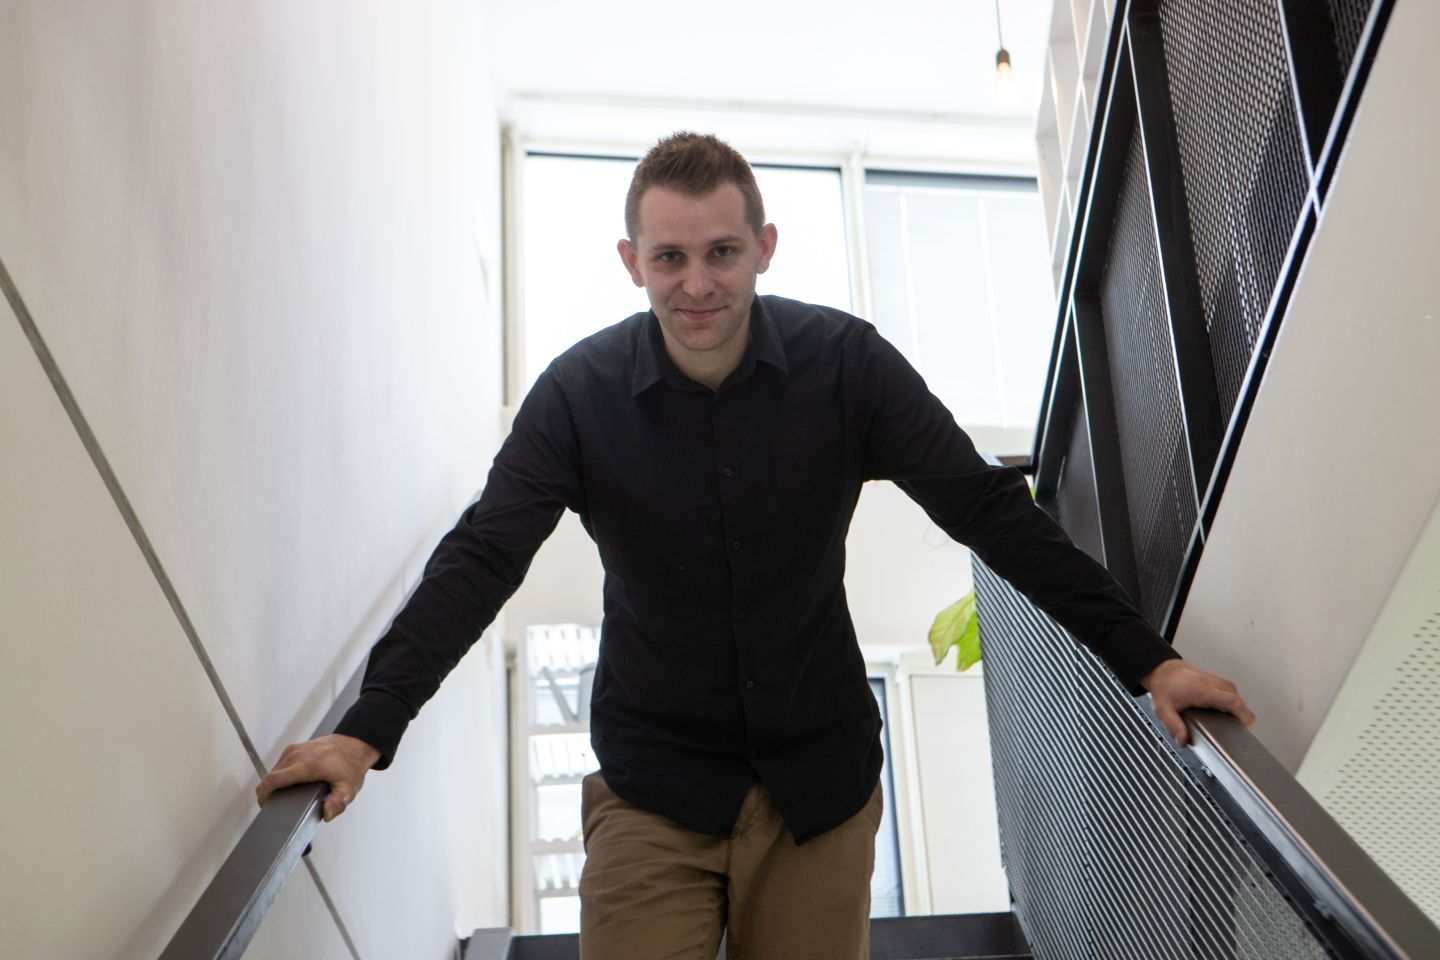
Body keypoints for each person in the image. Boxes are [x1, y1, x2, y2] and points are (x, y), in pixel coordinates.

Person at [257, 132, 1253, 959]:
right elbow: (482, 559)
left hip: (817, 788)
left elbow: (988, 514)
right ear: (630, 262)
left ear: (765, 246)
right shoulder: (578, 397)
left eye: (721, 253)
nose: (697, 285)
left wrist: (1149, 660)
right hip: (652, 787)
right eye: (669, 259)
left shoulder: (847, 368)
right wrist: (366, 729)